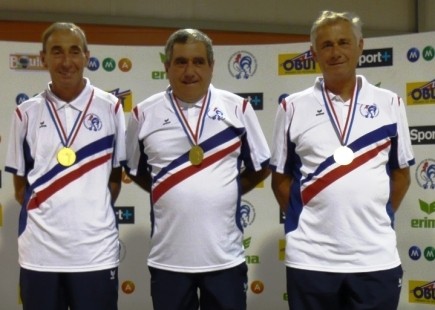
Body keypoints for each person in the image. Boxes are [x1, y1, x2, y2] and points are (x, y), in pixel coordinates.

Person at [270, 11, 415, 310]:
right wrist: (309, 220)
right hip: (311, 258)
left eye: (344, 42)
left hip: (375, 256)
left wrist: (375, 214)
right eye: (327, 45)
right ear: (314, 54)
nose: (336, 52)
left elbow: (401, 174)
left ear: (360, 46)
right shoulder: (292, 107)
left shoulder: (390, 103)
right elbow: (280, 179)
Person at [125, 28, 270, 310]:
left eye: (198, 61)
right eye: (180, 62)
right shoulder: (143, 114)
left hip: (225, 259)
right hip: (168, 261)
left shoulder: (237, 108)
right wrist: (166, 188)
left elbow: (260, 167)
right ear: (167, 67)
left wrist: (226, 189)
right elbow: (134, 169)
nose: (189, 70)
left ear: (212, 67)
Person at [5, 22, 126, 310]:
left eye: (74, 51)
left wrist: (88, 213)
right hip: (39, 254)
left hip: (95, 253)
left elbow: (115, 177)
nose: (66, 61)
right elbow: (20, 188)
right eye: (56, 52)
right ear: (43, 57)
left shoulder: (110, 107)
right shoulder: (26, 113)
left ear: (87, 56)